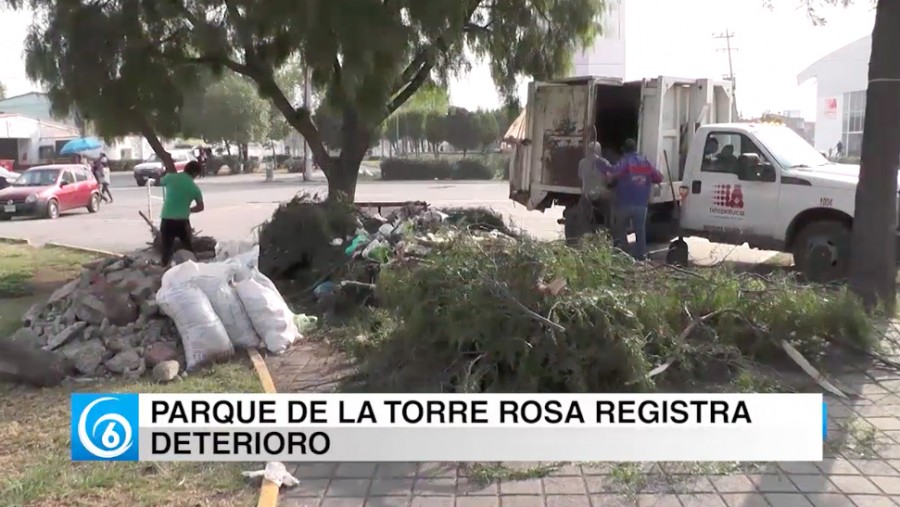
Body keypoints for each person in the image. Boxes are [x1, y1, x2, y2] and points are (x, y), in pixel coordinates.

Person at [607, 138, 663, 260]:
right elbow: (659, 177)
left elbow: (612, 175)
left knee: (620, 228)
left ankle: (624, 252)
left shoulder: (624, 162)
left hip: (625, 203)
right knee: (640, 230)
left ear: (624, 151)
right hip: (642, 204)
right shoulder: (646, 163)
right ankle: (641, 255)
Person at [158, 160, 204, 267]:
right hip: (182, 221)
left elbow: (157, 182)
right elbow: (200, 207)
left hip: (167, 219)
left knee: (166, 248)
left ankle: (165, 269)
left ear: (185, 168)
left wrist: (164, 173)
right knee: (188, 247)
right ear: (195, 174)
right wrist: (189, 210)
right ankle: (192, 267)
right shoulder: (194, 188)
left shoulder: (171, 178)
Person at [576, 141, 614, 236]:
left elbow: (580, 177)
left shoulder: (582, 162)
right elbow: (610, 180)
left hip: (586, 197)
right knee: (611, 206)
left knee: (584, 214)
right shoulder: (603, 162)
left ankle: (586, 233)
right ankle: (607, 231)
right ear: (599, 150)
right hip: (600, 197)